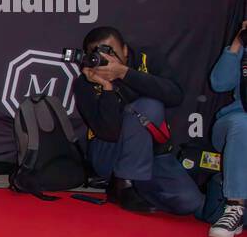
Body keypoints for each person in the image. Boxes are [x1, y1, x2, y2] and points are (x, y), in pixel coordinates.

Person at [71, 26, 203, 216]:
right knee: (149, 107)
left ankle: (131, 187)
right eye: (97, 54)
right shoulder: (84, 83)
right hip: (109, 152)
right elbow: (109, 132)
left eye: (109, 52)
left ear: (125, 50)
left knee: (190, 202)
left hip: (151, 153)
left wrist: (124, 73)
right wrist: (107, 87)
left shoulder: (146, 58)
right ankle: (124, 183)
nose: (105, 60)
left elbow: (175, 96)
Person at [206, 19, 247, 237]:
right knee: (243, 123)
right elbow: (219, 83)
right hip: (236, 125)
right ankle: (234, 208)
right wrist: (237, 43)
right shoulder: (243, 47)